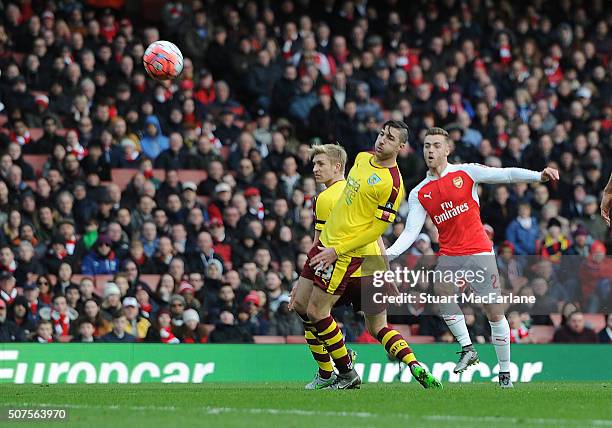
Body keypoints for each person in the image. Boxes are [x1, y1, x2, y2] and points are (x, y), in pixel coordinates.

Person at [386, 127, 559, 388]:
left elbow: (506, 175)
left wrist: (538, 176)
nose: (430, 150)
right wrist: (389, 254)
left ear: (447, 149)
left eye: (435, 145)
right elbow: (411, 232)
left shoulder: (466, 172)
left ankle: (504, 374)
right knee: (441, 291)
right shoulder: (419, 192)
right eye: (426, 146)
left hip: (478, 250)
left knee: (494, 313)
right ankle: (468, 348)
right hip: (450, 253)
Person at [304, 122, 441, 389]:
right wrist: (385, 268)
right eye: (381, 134)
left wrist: (336, 251)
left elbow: (373, 228)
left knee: (313, 310)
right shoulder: (361, 159)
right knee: (378, 327)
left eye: (390, 138)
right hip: (372, 262)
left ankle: (338, 367)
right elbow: (367, 223)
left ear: (401, 147)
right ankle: (414, 363)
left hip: (346, 257)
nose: (381, 141)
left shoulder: (391, 184)